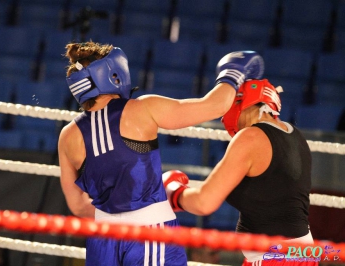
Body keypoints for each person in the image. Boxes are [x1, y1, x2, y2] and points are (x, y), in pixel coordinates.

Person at [57, 41, 264, 265]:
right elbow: (215, 106)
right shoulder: (141, 109)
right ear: (114, 74)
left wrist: (115, 218)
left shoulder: (67, 136)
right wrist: (233, 72)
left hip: (102, 240)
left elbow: (78, 205)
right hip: (150, 234)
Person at [163, 77, 318, 265]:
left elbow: (204, 203)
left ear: (242, 100)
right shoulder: (295, 135)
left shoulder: (251, 137)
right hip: (299, 253)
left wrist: (173, 192)